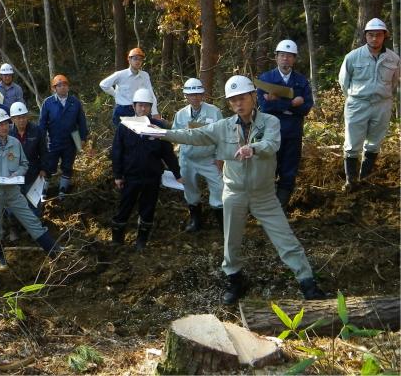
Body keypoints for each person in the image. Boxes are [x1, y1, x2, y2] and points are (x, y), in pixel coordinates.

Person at [162, 75, 329, 304]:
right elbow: (193, 135)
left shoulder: (270, 122)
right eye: (233, 101)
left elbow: (271, 144)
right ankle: (235, 279)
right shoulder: (223, 127)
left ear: (253, 96)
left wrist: (253, 148)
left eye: (242, 98)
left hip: (264, 194)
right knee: (231, 240)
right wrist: (161, 133)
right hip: (234, 193)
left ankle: (307, 282)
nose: (238, 104)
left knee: (285, 239)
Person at [0, 108, 62, 270]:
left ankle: (56, 253)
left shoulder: (15, 143)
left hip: (13, 191)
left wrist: (18, 173)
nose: (4, 127)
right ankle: (1, 261)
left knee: (32, 221)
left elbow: (24, 164)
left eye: (5, 123)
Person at [110, 88, 181, 250]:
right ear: (134, 107)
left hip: (152, 177)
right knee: (124, 207)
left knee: (148, 208)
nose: (143, 109)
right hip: (130, 176)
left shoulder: (157, 126)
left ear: (151, 107)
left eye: (146, 106)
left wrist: (177, 173)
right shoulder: (124, 126)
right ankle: (117, 240)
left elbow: (167, 153)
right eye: (140, 105)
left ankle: (141, 241)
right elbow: (117, 152)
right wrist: (118, 175)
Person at [338, 18, 400, 191]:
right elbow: (344, 82)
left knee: (374, 143)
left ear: (384, 36)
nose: (374, 39)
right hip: (358, 104)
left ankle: (364, 178)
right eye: (371, 35)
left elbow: (394, 82)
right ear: (365, 36)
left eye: (378, 35)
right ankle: (350, 181)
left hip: (382, 105)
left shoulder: (393, 59)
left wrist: (383, 96)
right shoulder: (352, 57)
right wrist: (355, 98)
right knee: (352, 144)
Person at [256, 40, 313, 208]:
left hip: (293, 132)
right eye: (282, 55)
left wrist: (279, 104)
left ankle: (281, 205)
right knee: (268, 167)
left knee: (289, 168)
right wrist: (291, 104)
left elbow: (306, 107)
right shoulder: (266, 79)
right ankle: (265, 203)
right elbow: (265, 106)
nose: (285, 59)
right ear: (276, 58)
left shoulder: (301, 81)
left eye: (289, 56)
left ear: (294, 59)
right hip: (271, 132)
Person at [172, 78, 224, 231]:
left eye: (198, 94)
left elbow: (222, 136)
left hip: (209, 158)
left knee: (219, 188)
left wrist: (220, 157)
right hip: (188, 159)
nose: (195, 97)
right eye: (191, 95)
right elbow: (175, 135)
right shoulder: (180, 115)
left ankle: (223, 224)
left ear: (203, 95)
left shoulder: (214, 111)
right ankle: (196, 221)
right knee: (190, 189)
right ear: (186, 96)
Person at [39, 74, 88, 198]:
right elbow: (42, 124)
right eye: (59, 85)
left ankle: (62, 191)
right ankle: (43, 190)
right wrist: (40, 141)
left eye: (65, 85)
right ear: (54, 88)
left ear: (68, 87)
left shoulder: (75, 102)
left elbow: (81, 122)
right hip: (53, 141)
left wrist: (82, 138)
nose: (62, 87)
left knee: (67, 166)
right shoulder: (48, 103)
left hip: (70, 142)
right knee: (49, 167)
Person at [99, 48, 160, 126]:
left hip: (139, 109)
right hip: (123, 110)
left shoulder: (144, 75)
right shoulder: (120, 74)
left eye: (140, 59)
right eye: (135, 59)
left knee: (140, 135)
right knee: (122, 135)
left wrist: (155, 112)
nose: (138, 61)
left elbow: (150, 94)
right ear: (129, 59)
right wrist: (115, 94)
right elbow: (104, 84)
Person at [9, 101, 48, 223]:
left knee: (34, 204)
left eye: (24, 117)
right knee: (13, 204)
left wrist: (43, 169)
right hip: (14, 175)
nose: (22, 120)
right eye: (18, 118)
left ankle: (36, 228)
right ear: (12, 119)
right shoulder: (8, 133)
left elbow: (44, 151)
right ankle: (14, 227)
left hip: (33, 173)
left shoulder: (36, 130)